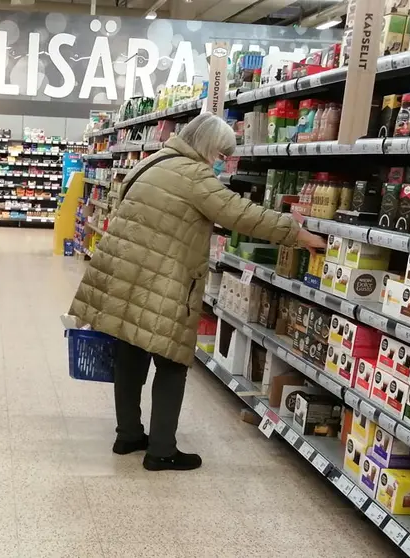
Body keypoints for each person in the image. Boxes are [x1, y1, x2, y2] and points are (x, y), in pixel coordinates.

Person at [68, 113, 326, 472]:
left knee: (130, 355)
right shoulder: (195, 175)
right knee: (172, 363)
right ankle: (161, 450)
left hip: (124, 275)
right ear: (206, 147)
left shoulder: (153, 161)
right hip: (162, 281)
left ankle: (128, 434)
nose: (221, 163)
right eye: (220, 155)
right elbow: (241, 214)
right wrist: (296, 233)